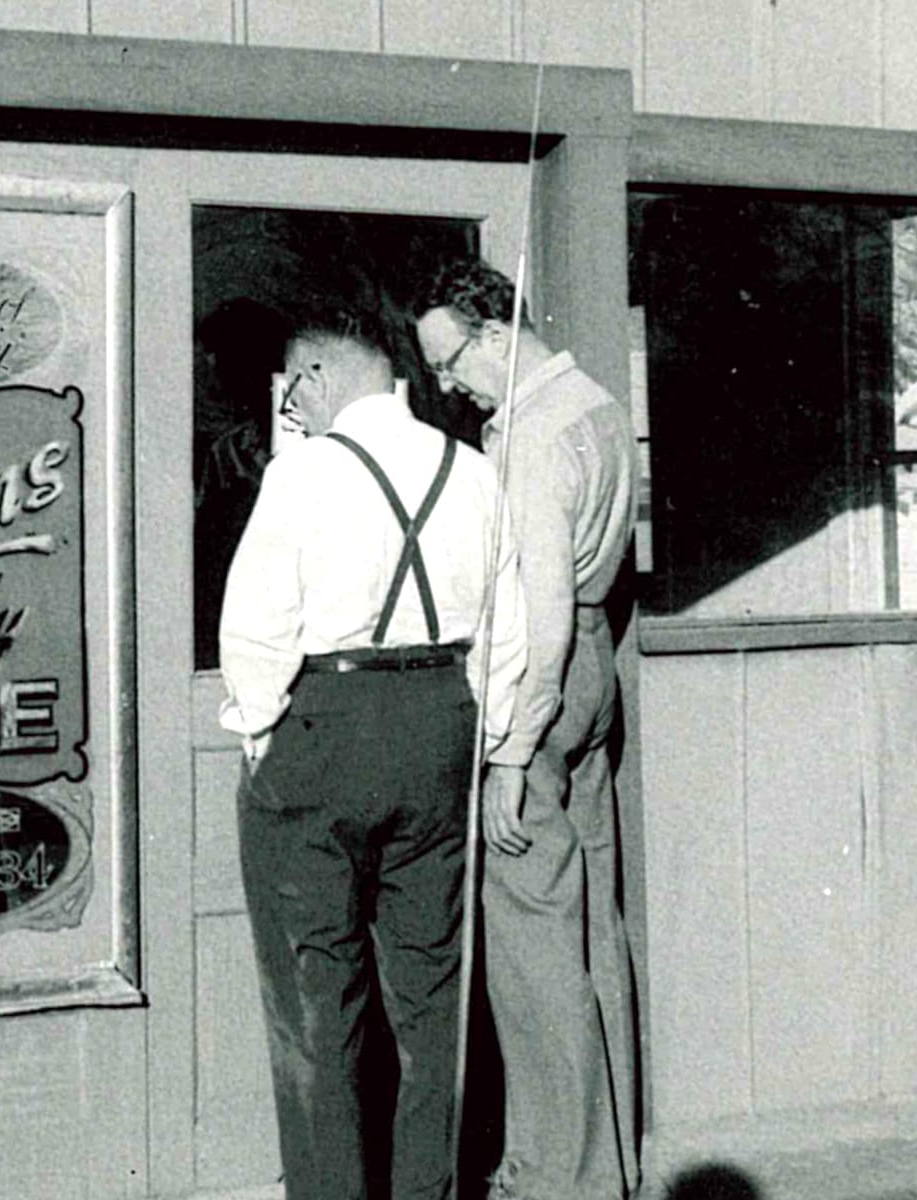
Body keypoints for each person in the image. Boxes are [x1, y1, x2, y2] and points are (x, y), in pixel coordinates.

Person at [219, 307, 528, 1200]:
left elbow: (257, 626)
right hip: (441, 723)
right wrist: (484, 740)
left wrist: (260, 730)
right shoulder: (472, 471)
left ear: (315, 376)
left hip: (324, 724)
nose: (295, 410)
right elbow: (506, 631)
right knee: (433, 999)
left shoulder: (302, 472)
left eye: (294, 393)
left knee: (316, 999)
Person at [414, 259, 640, 1200]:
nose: (447, 385)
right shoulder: (599, 405)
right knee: (591, 926)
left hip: (541, 679)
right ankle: (610, 1161)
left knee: (532, 942)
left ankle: (555, 1175)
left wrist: (510, 749)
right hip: (596, 664)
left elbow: (541, 612)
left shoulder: (532, 434)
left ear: (498, 333)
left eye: (451, 361)